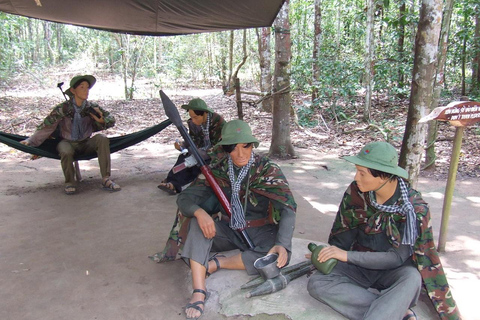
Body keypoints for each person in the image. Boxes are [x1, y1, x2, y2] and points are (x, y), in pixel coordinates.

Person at [307, 142, 460, 320]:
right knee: (317, 283)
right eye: (357, 171)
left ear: (384, 176)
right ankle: (396, 310)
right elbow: (342, 234)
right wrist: (329, 254)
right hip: (360, 266)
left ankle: (387, 309)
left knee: (412, 279)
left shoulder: (413, 209)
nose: (356, 177)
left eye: (362, 173)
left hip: (394, 271)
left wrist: (345, 256)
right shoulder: (357, 192)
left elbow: (396, 258)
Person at [176, 120, 296, 319]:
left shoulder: (267, 169)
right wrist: (200, 212)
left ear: (253, 145)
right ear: (226, 149)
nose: (240, 154)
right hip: (228, 228)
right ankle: (199, 291)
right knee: (198, 224)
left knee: (277, 259)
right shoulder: (218, 169)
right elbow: (185, 198)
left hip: (260, 231)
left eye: (245, 146)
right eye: (233, 147)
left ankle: (217, 264)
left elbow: (288, 208)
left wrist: (283, 244)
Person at [20, 75, 120, 195]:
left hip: (86, 143)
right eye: (82, 87)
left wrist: (101, 120)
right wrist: (31, 141)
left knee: (102, 139)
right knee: (65, 150)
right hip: (67, 142)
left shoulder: (92, 107)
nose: (86, 90)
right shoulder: (63, 108)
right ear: (73, 90)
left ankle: (106, 179)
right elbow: (47, 126)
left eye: (87, 87)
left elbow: (111, 120)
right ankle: (70, 182)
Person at [157, 98, 225, 195]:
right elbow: (192, 141)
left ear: (205, 113)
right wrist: (182, 145)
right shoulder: (193, 123)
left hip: (216, 157)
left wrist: (205, 153)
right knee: (184, 158)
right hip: (199, 153)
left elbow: (223, 146)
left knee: (197, 166)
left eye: (196, 117)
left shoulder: (219, 123)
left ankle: (175, 184)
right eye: (191, 117)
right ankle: (172, 182)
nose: (193, 120)